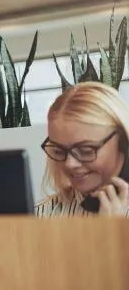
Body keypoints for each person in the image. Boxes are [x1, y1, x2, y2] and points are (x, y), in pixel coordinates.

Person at [35, 81, 129, 218]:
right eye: (59, 151)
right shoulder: (40, 217)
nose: (70, 164)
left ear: (122, 143)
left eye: (86, 150)